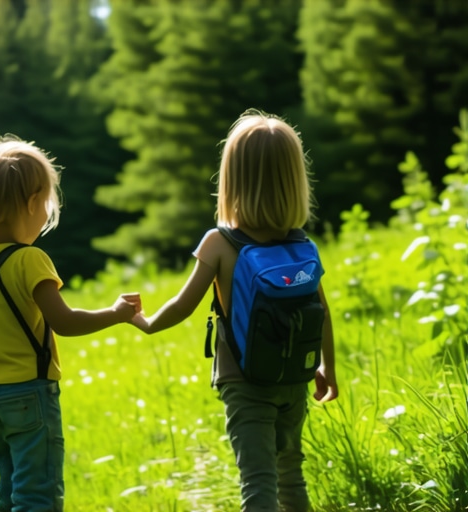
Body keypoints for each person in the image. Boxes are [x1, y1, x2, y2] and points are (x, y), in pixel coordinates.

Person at [130, 109, 338, 512]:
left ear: (232, 179)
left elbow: (182, 306)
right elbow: (323, 311)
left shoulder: (219, 244)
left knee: (258, 483)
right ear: (295, 180)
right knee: (291, 473)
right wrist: (328, 367)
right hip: (295, 376)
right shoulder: (301, 246)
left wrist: (146, 323)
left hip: (244, 381)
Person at [0, 134, 140, 512]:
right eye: (46, 204)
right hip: (29, 391)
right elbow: (65, 321)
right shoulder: (30, 260)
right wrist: (116, 313)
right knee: (38, 493)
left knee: (10, 491)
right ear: (31, 203)